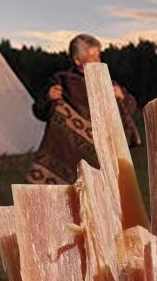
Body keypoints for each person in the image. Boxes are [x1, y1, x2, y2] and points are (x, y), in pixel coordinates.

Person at [26, 34, 141, 185]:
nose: (98, 61)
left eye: (99, 56)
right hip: (66, 151)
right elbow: (40, 111)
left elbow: (130, 107)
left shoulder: (106, 83)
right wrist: (49, 98)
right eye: (92, 57)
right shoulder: (63, 80)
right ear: (77, 61)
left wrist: (122, 97)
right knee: (67, 196)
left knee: (96, 194)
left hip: (100, 154)